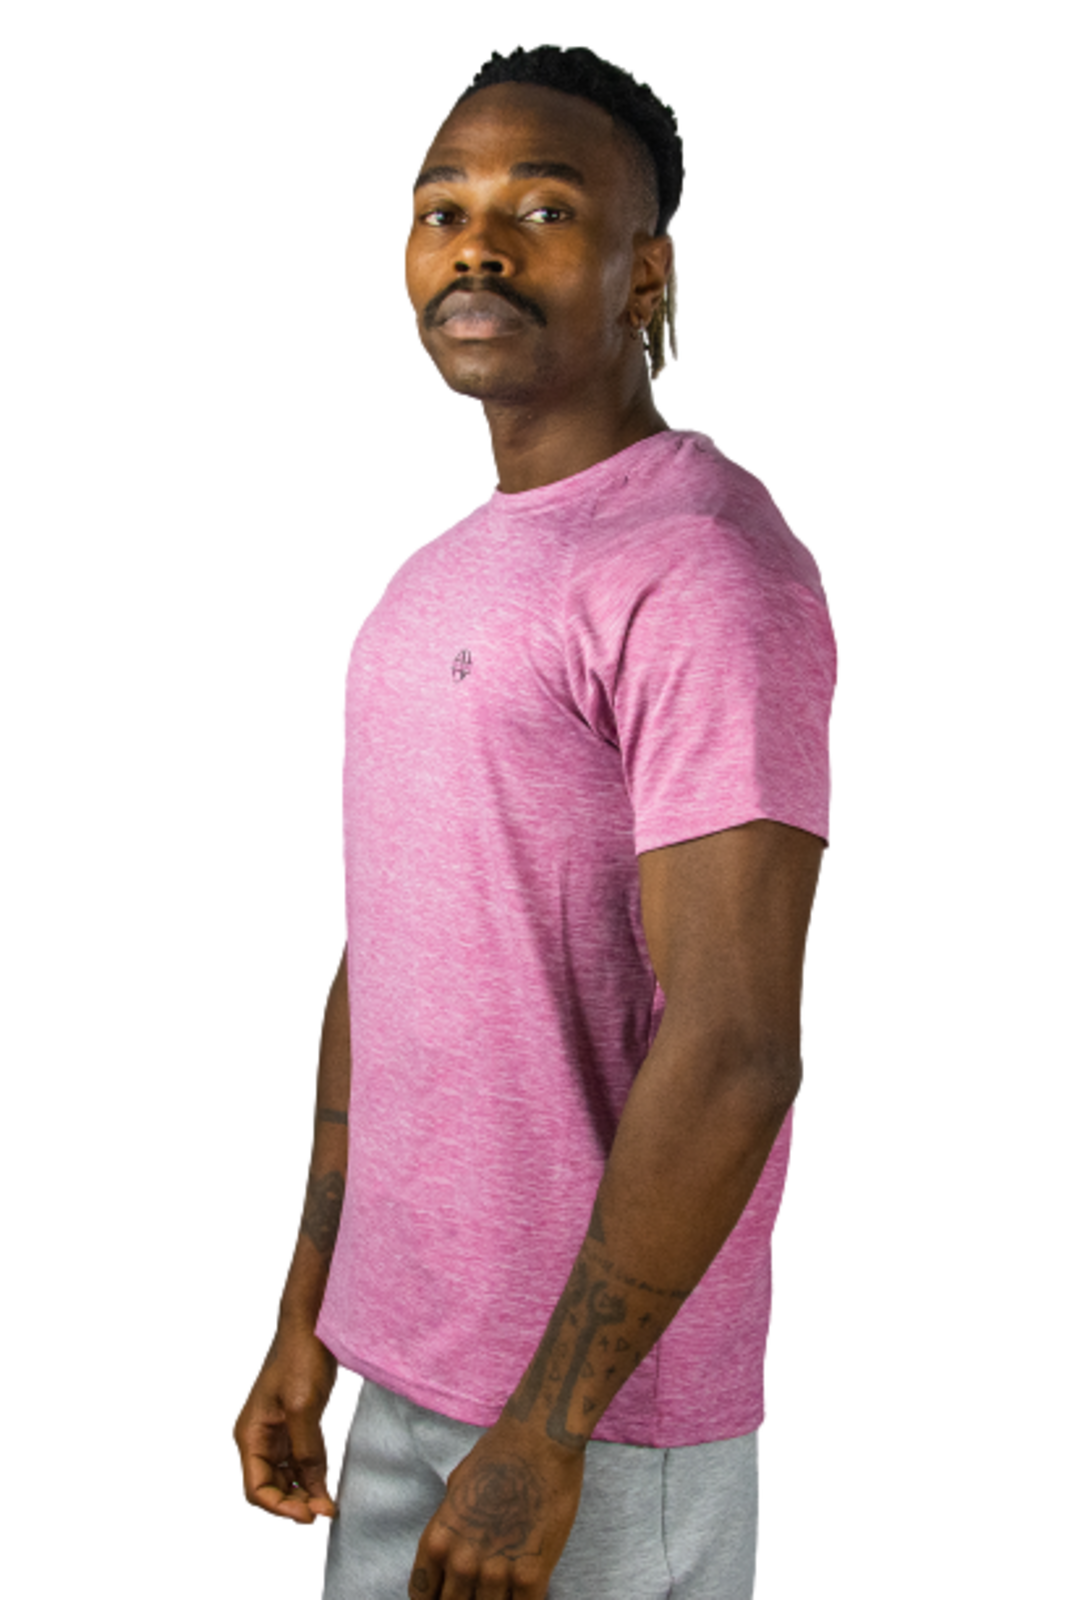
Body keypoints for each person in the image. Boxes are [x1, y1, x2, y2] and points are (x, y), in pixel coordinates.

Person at [234, 43, 836, 1600]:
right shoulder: (434, 581)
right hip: (407, 1373)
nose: (477, 248)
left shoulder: (701, 568)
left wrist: (548, 1431)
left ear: (646, 273)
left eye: (544, 210)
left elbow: (735, 1045)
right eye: (442, 209)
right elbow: (390, 961)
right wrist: (309, 1317)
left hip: (589, 1430)